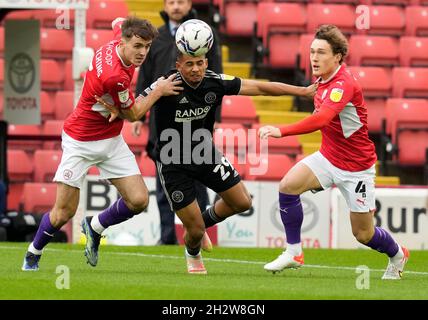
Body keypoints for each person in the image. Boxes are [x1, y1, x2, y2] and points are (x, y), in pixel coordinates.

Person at [96, 49, 316, 274]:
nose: (195, 69)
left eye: (200, 63)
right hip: (173, 163)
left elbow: (259, 87)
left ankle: (199, 225)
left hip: (205, 154)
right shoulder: (165, 85)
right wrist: (121, 110)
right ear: (178, 64)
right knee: (195, 231)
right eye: (189, 64)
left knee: (242, 202)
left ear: (206, 62)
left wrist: (303, 91)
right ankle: (193, 252)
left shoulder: (215, 82)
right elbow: (135, 109)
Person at [21, 17, 183, 271]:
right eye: (138, 46)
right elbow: (133, 115)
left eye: (147, 46)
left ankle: (95, 227)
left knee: (139, 200)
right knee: (63, 213)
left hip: (110, 140)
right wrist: (158, 89)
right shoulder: (114, 76)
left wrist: (119, 107)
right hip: (81, 141)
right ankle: (33, 252)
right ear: (124, 41)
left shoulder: (118, 38)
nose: (143, 53)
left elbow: (118, 21)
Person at [258, 24, 409, 280]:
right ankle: (293, 252)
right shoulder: (323, 80)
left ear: (337, 56)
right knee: (287, 186)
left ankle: (397, 254)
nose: (314, 58)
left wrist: (280, 131)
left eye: (321, 53)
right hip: (328, 157)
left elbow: (320, 120)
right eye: (312, 51)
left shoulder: (344, 84)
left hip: (356, 167)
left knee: (363, 234)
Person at [134, 0, 223, 246]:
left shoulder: (205, 34)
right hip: (162, 120)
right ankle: (167, 238)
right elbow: (144, 73)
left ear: (189, 4)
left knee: (199, 179)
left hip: (197, 117)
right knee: (165, 183)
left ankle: (200, 234)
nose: (175, 6)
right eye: (171, 2)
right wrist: (139, 115)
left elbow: (218, 74)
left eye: (180, 1)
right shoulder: (157, 36)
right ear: (165, 5)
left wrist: (215, 116)